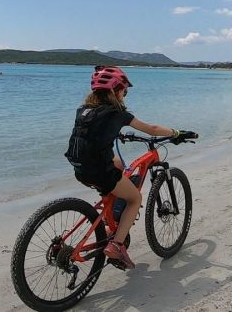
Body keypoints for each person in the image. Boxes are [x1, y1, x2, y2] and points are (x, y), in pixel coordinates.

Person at [64, 65, 197, 269]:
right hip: (100, 172)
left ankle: (112, 214)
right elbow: (150, 128)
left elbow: (93, 136)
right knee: (135, 198)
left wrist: (116, 133)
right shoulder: (118, 114)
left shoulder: (83, 111)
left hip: (80, 168)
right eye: (124, 91)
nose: (125, 95)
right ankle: (116, 245)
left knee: (118, 163)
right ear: (114, 90)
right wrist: (176, 132)